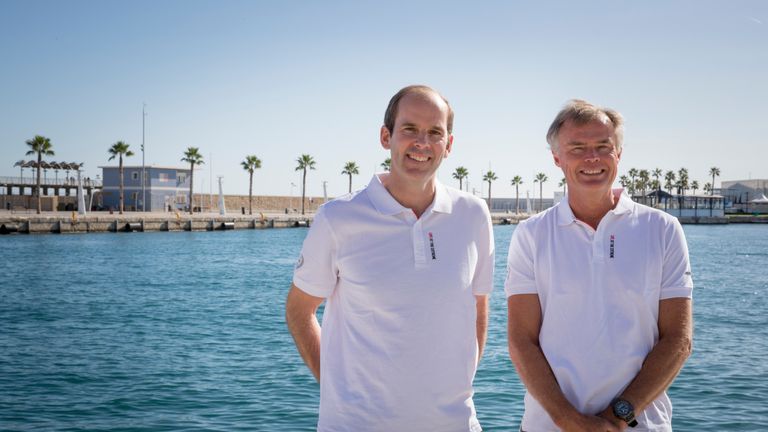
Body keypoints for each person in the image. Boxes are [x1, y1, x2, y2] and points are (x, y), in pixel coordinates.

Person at [285, 85, 494, 432]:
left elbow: (478, 305)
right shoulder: (338, 218)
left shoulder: (473, 214)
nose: (422, 143)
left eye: (435, 133)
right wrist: (337, 390)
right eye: (409, 129)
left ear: (449, 145)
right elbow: (298, 310)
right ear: (386, 136)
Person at [505, 100, 693, 431]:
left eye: (603, 147)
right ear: (557, 158)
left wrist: (617, 417)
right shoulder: (531, 235)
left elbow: (678, 340)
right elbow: (522, 340)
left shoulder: (663, 229)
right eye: (577, 148)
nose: (592, 158)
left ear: (618, 154)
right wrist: (570, 421)